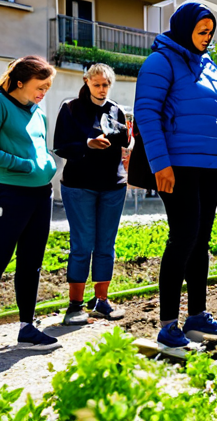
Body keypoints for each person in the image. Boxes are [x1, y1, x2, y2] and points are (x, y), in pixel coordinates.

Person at [134, 2, 217, 350]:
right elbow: (146, 114)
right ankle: (168, 324)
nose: (207, 38)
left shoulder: (210, 66)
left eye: (210, 32)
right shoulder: (159, 62)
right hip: (177, 165)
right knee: (183, 237)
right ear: (184, 28)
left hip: (208, 165)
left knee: (201, 240)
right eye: (201, 31)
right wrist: (160, 164)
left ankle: (197, 315)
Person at [0, 56, 60, 356]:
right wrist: (23, 165)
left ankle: (27, 328)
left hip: (41, 195)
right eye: (40, 86)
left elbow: (41, 150)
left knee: (31, 263)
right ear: (20, 82)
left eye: (47, 87)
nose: (44, 92)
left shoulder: (38, 112)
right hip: (9, 195)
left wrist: (47, 164)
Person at [54, 64, 129, 325]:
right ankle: (75, 306)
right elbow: (60, 146)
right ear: (86, 82)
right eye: (96, 84)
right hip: (79, 185)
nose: (101, 89)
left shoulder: (116, 109)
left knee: (106, 245)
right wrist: (88, 143)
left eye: (106, 85)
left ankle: (101, 301)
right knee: (82, 245)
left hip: (113, 185)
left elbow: (125, 141)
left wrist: (126, 135)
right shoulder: (71, 108)